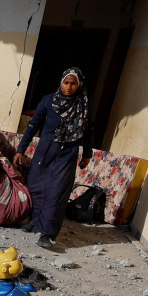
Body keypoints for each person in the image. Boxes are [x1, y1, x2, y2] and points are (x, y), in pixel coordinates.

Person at [13, 67, 93, 250]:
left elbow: (89, 130)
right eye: (66, 82)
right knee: (36, 186)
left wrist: (87, 154)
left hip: (67, 153)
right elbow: (33, 125)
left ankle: (48, 233)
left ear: (79, 85)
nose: (69, 87)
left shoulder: (84, 105)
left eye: (73, 83)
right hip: (45, 151)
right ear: (61, 83)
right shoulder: (49, 100)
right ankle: (34, 222)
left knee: (57, 192)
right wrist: (20, 149)